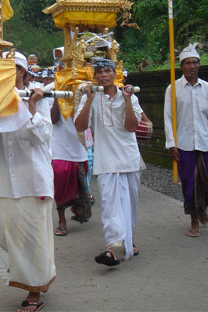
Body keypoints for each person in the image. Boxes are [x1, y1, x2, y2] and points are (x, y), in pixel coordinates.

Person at [0, 52, 55, 312]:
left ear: (22, 71)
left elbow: (42, 136)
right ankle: (29, 270)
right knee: (5, 234)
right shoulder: (0, 100)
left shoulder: (38, 98)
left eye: (11, 68)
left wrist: (31, 107)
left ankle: (34, 293)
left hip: (33, 181)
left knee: (34, 240)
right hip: (6, 182)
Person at [74, 57, 143, 267]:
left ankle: (127, 242)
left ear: (115, 74)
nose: (104, 75)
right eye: (100, 72)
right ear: (94, 76)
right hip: (106, 161)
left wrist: (129, 100)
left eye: (108, 71)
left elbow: (131, 127)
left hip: (129, 159)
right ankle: (113, 247)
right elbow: (80, 125)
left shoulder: (128, 96)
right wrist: (88, 99)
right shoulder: (93, 97)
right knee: (111, 206)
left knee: (129, 205)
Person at [164, 43, 208, 238]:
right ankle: (194, 220)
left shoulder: (206, 88)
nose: (192, 66)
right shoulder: (173, 88)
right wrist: (171, 144)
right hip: (184, 144)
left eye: (195, 63)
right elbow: (168, 117)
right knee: (190, 184)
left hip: (205, 142)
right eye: (188, 63)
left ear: (199, 65)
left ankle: (202, 207)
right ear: (182, 66)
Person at [50, 96, 91, 236]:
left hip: (79, 148)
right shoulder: (52, 90)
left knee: (80, 185)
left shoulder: (85, 92)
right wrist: (57, 97)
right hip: (59, 150)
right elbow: (53, 119)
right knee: (60, 186)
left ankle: (78, 208)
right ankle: (62, 221)